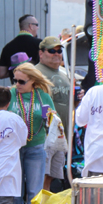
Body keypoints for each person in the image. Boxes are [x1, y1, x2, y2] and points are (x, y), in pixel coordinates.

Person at [7, 62, 56, 204]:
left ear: (33, 80)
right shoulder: (10, 95)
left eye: (21, 81)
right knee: (15, 192)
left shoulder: (42, 97)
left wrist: (49, 118)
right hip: (14, 148)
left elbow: (53, 121)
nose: (17, 85)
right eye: (15, 80)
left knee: (34, 191)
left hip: (36, 147)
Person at [35, 36, 71, 190]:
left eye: (59, 50)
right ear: (41, 53)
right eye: (51, 50)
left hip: (61, 135)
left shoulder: (64, 73)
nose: (56, 54)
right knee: (41, 176)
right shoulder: (36, 73)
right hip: (45, 134)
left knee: (50, 177)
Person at [0, 14, 42, 81]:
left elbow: (1, 74)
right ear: (31, 26)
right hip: (35, 87)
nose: (38, 28)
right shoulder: (39, 44)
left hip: (16, 88)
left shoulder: (8, 47)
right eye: (36, 25)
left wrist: (16, 71)